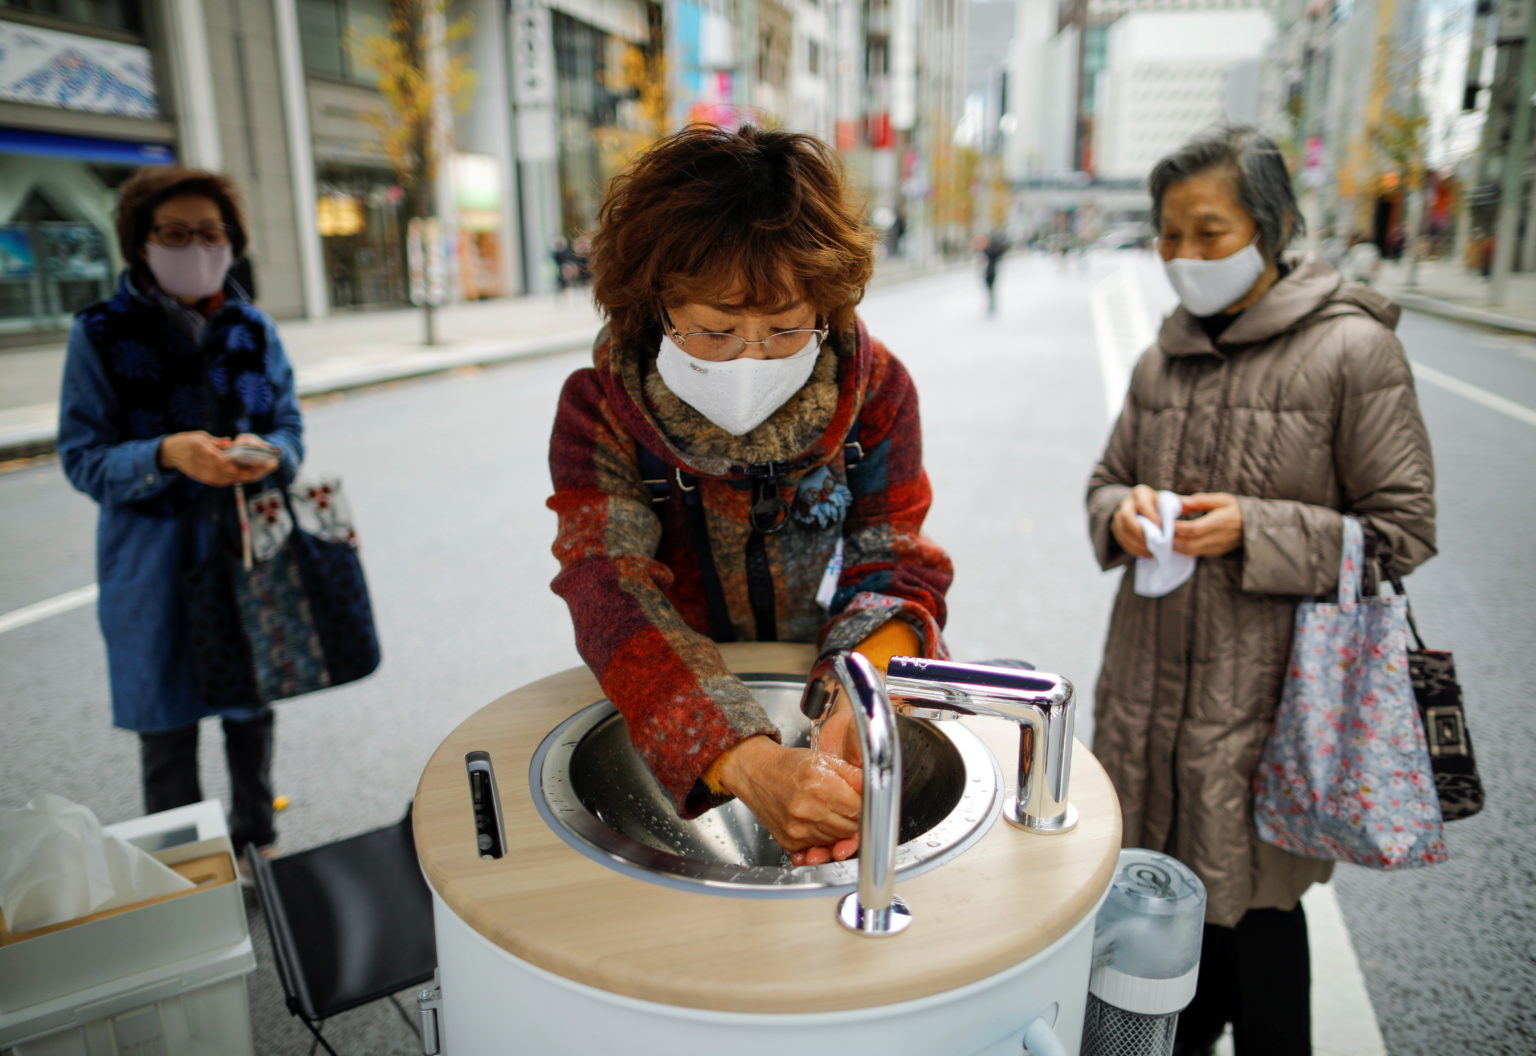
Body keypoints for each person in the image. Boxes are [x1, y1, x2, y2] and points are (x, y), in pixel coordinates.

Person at [1084, 126, 1435, 1056]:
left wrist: (1258, 526)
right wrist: (1121, 512)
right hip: (1148, 688)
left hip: (1276, 699)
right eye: (1168, 234)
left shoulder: (1353, 351)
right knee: (1156, 917)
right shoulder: (1163, 357)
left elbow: (1403, 529)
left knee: (1260, 919)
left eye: (1210, 231)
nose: (1185, 256)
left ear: (1273, 228)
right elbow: (1106, 479)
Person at [546, 124, 952, 866]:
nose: (751, 358)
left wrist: (865, 691)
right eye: (714, 330)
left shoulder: (876, 389)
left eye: (786, 329)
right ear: (654, 306)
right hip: (659, 684)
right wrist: (742, 758)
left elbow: (894, 557)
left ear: (826, 310)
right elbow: (608, 582)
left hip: (810, 670)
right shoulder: (600, 405)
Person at [58, 167, 304, 868]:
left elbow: (289, 429)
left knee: (251, 716)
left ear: (231, 242)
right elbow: (82, 458)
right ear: (141, 244)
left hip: (245, 554)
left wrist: (270, 455)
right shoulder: (100, 334)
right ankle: (182, 876)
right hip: (151, 562)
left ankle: (259, 845)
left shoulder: (253, 329)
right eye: (175, 233)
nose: (195, 246)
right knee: (166, 735)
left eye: (210, 232)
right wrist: (165, 453)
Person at [980, 232, 1006, 315]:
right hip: (990, 272)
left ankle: (992, 305)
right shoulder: (991, 250)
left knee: (990, 290)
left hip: (990, 273)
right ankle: (991, 305)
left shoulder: (991, 251)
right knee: (990, 290)